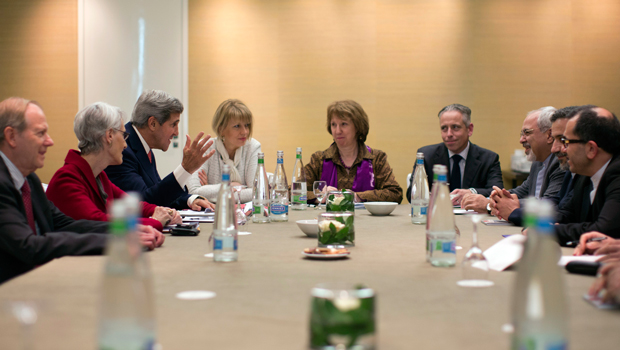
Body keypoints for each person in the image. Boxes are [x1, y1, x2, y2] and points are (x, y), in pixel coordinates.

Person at [0, 97, 159, 283]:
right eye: (40, 133)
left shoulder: (29, 179)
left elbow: (64, 224)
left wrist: (124, 230)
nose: (49, 141)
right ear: (11, 137)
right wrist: (116, 240)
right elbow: (28, 246)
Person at [46, 102, 182, 232]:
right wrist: (154, 221)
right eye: (123, 135)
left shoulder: (98, 175)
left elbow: (133, 205)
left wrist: (160, 211)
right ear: (109, 136)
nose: (125, 144)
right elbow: (99, 222)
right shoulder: (67, 179)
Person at [105, 90, 216, 210]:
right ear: (152, 124)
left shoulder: (142, 145)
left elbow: (159, 194)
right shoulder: (123, 150)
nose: (177, 132)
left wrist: (190, 200)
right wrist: (185, 169)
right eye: (173, 124)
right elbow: (144, 202)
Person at [304, 100, 402, 203]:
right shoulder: (319, 160)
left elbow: (395, 193)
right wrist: (320, 196)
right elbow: (292, 192)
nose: (337, 131)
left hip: (368, 219)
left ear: (358, 127)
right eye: (333, 124)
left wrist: (356, 196)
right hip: (327, 218)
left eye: (344, 124)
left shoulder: (376, 159)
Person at [406, 103, 503, 204]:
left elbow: (497, 192)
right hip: (437, 215)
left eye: (455, 127)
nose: (449, 134)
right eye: (444, 128)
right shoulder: (426, 156)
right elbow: (411, 194)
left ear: (469, 129)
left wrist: (471, 192)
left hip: (472, 216)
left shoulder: (488, 159)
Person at [485, 107, 566, 225]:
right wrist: (496, 198)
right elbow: (522, 191)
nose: (521, 140)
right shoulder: (538, 162)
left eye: (527, 133)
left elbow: (550, 205)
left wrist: (503, 204)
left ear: (549, 135)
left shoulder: (561, 163)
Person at [552, 106, 620, 245]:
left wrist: (548, 232)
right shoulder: (584, 174)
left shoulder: (617, 173)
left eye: (566, 142)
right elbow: (566, 216)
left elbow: (603, 231)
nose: (562, 149)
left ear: (591, 149)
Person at [187, 99, 261, 203]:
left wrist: (211, 190)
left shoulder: (253, 147)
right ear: (220, 129)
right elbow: (193, 192)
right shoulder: (205, 148)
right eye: (237, 126)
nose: (244, 132)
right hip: (212, 215)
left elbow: (257, 192)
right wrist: (231, 186)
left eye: (247, 125)